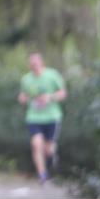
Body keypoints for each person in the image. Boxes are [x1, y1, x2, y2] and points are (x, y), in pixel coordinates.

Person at [17, 52, 67, 183]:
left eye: (36, 63)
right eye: (32, 64)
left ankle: (51, 162)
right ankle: (42, 174)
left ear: (41, 63)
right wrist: (22, 98)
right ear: (29, 65)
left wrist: (49, 97)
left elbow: (63, 93)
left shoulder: (52, 75)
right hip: (34, 117)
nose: (34, 66)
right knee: (36, 143)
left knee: (48, 149)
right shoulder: (26, 79)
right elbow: (23, 95)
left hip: (52, 116)